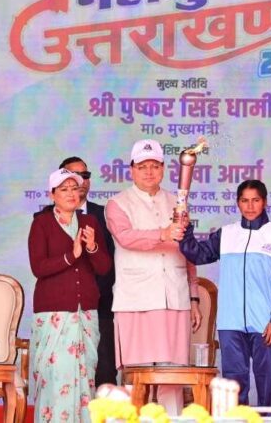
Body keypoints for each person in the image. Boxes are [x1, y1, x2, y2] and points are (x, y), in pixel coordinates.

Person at [105, 139, 202, 415]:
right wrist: (163, 233)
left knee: (173, 376)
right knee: (137, 378)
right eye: (142, 166)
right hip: (137, 301)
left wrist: (194, 296)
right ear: (131, 169)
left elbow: (188, 251)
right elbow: (126, 238)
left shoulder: (177, 202)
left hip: (175, 300)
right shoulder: (117, 204)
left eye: (155, 166)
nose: (149, 172)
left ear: (163, 168)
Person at [178, 179, 271, 406]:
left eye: (255, 200)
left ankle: (269, 420)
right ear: (238, 203)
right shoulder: (227, 234)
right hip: (230, 323)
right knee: (234, 385)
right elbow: (196, 254)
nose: (250, 206)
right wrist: (186, 228)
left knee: (267, 382)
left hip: (264, 323)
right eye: (244, 201)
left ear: (264, 202)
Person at [28, 168, 111, 422]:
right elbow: (38, 267)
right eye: (64, 189)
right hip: (53, 313)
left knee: (85, 378)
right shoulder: (41, 223)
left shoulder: (89, 222)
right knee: (55, 377)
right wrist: (71, 256)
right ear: (52, 195)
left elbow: (104, 267)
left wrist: (92, 247)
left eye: (75, 188)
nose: (71, 194)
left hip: (85, 312)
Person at [58, 157, 117, 387]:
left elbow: (111, 261)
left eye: (85, 175)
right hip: (63, 309)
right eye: (74, 176)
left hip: (100, 307)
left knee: (104, 373)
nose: (80, 181)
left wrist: (94, 293)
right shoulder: (45, 218)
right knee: (66, 375)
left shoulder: (105, 215)